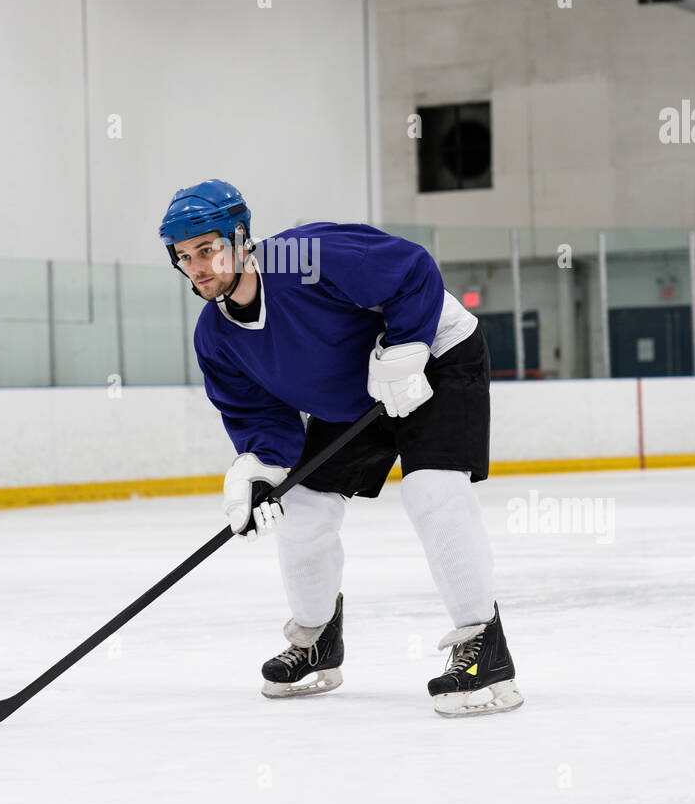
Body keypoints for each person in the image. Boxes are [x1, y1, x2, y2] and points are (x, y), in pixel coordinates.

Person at [158, 178, 523, 717]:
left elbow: (412, 268)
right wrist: (260, 469)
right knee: (300, 504)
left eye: (208, 249)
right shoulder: (215, 337)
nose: (199, 268)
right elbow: (261, 417)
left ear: (240, 237)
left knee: (431, 491)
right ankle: (317, 642)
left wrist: (406, 345)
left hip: (438, 353)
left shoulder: (301, 258)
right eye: (185, 258)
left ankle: (484, 644)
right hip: (359, 395)